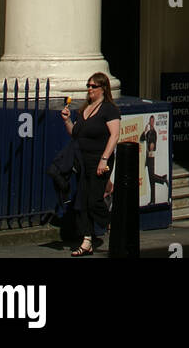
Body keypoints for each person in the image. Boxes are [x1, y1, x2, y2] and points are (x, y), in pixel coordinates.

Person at [61, 73, 120, 257]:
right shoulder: (84, 109)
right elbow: (75, 133)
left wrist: (104, 159)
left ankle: (114, 224)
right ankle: (86, 241)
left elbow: (115, 135)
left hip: (99, 159)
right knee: (82, 202)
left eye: (93, 86)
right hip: (83, 160)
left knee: (94, 200)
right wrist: (67, 121)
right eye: (88, 85)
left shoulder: (109, 109)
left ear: (103, 88)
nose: (89, 89)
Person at [139, 115, 168, 205]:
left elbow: (152, 144)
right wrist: (145, 130)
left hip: (151, 156)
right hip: (148, 157)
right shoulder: (149, 132)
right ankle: (153, 199)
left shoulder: (154, 132)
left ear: (153, 122)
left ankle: (163, 179)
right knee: (151, 180)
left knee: (152, 178)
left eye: (152, 121)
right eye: (150, 121)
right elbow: (141, 139)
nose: (151, 123)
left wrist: (152, 146)